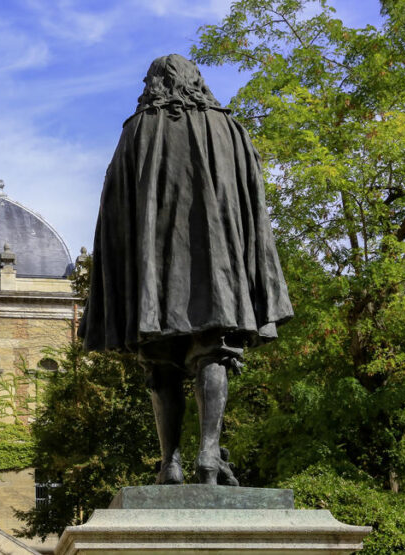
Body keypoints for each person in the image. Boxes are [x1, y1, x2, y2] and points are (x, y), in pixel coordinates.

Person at [79, 54, 293, 485]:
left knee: (161, 361)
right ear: (197, 81)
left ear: (154, 83)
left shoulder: (136, 130)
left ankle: (169, 463)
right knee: (212, 350)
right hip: (218, 274)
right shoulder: (229, 130)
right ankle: (209, 457)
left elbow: (114, 215)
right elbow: (253, 206)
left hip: (154, 281)